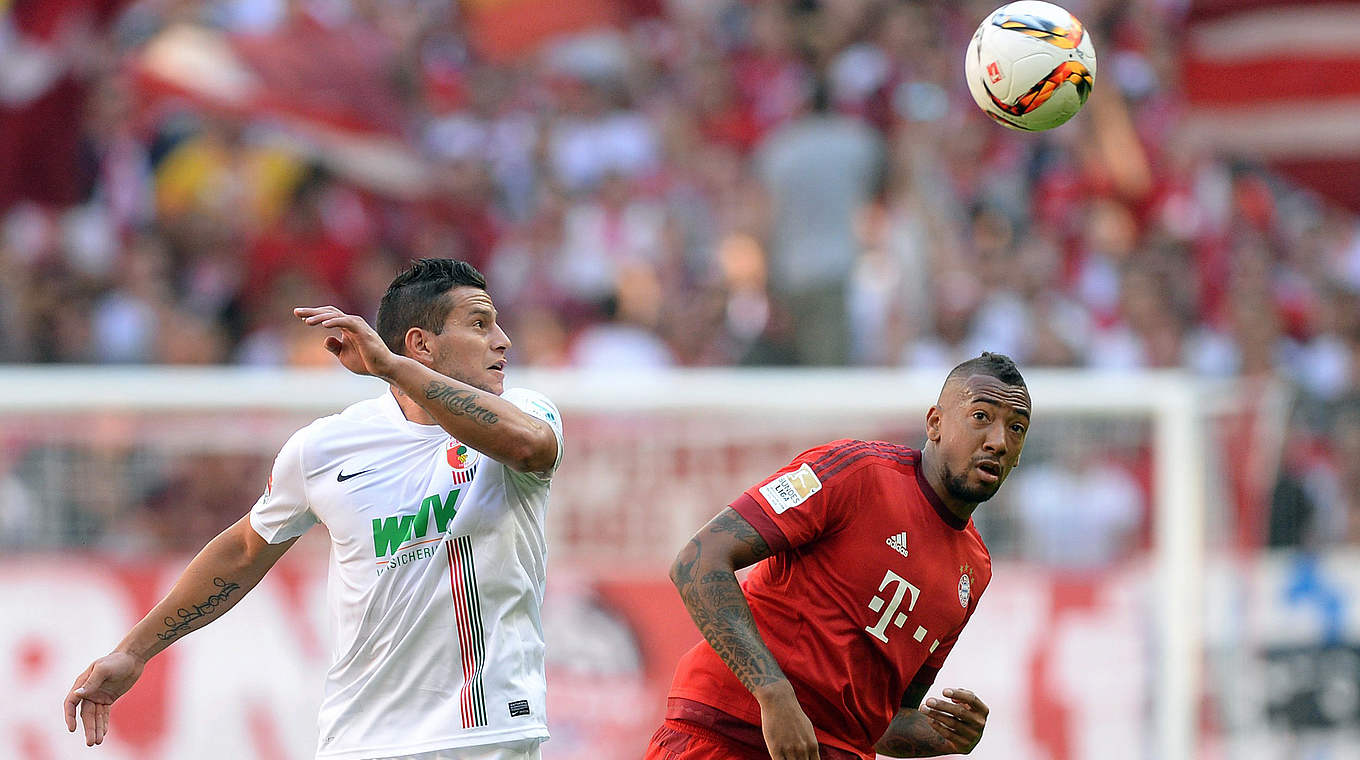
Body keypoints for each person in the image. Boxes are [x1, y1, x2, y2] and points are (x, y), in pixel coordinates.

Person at [63, 259, 565, 760]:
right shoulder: (325, 447)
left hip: (487, 735)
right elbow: (242, 551)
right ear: (422, 344)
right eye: (480, 324)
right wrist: (134, 651)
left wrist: (391, 368)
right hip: (362, 740)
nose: (503, 339)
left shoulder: (526, 412)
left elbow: (528, 447)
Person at [646, 352, 1030, 759]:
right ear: (935, 423)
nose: (998, 441)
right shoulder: (857, 472)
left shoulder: (975, 570)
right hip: (730, 732)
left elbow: (886, 720)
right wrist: (774, 695)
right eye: (981, 417)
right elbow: (697, 561)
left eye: (1017, 428)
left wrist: (947, 738)